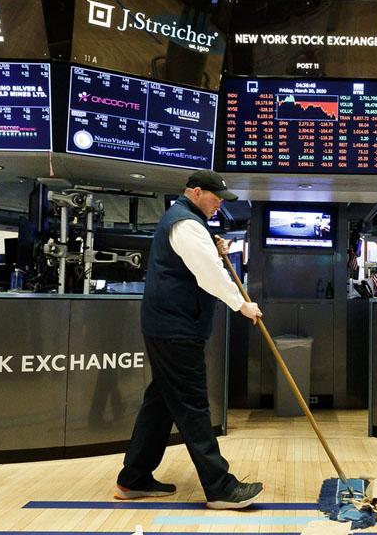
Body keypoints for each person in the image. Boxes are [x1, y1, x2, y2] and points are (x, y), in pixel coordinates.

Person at [115, 169, 265, 509]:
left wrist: (214, 247)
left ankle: (133, 479)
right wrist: (241, 304)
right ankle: (220, 488)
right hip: (176, 330)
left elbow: (198, 260)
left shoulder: (187, 221)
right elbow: (209, 274)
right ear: (196, 192)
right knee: (193, 406)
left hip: (167, 327)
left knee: (161, 403)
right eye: (215, 198)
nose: (219, 205)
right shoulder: (186, 224)